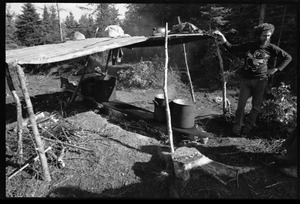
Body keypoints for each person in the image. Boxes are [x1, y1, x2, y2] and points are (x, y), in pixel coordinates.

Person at [213, 23, 292, 136]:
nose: (266, 38)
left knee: (256, 106)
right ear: (259, 35)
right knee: (241, 106)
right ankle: (237, 128)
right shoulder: (250, 45)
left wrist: (276, 69)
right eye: (264, 35)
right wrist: (223, 39)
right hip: (246, 80)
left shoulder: (271, 48)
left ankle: (248, 128)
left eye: (269, 35)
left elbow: (288, 57)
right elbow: (232, 48)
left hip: (261, 81)